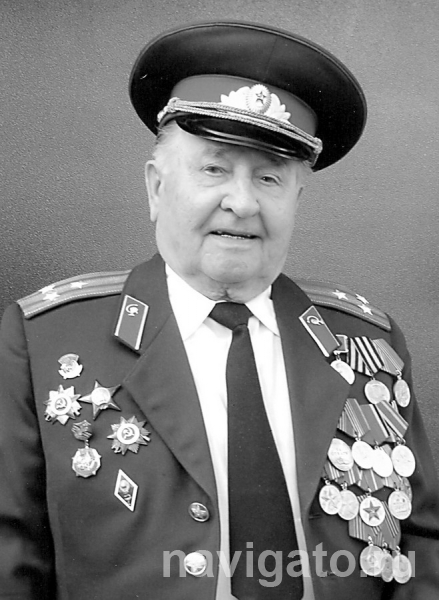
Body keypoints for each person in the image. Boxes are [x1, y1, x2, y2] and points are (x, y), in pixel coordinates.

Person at [0, 20, 438, 600]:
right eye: (214, 169)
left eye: (269, 177)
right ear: (156, 188)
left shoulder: (367, 347)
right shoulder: (45, 342)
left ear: (297, 199)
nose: (242, 202)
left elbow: (420, 548)